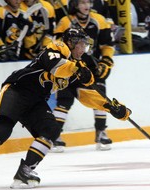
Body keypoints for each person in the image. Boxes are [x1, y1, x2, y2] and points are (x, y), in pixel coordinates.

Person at [0, 27, 131, 190]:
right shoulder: (55, 48)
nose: (83, 49)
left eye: (85, 45)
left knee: (51, 130)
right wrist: (77, 69)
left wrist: (110, 107)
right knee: (2, 131)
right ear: (71, 42)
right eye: (81, 44)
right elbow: (56, 67)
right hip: (16, 91)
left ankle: (25, 171)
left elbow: (86, 94)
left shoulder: (78, 65)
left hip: (36, 100)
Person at [52, 0, 115, 152]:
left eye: (88, 1)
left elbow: (107, 45)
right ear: (75, 5)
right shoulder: (66, 22)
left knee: (99, 97)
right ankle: (54, 135)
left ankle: (101, 132)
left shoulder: (99, 20)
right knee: (64, 101)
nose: (86, 5)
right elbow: (56, 45)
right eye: (82, 2)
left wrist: (106, 62)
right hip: (71, 68)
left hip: (92, 68)